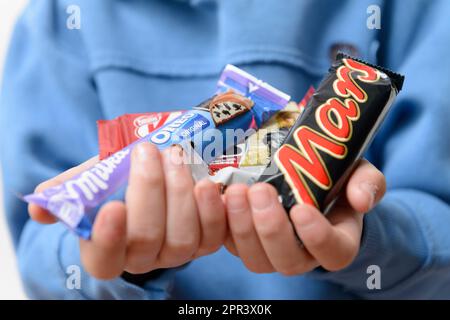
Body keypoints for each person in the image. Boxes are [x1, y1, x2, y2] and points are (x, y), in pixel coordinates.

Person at [1, 0, 449, 299]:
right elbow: (40, 251)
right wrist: (113, 261)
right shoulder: (60, 19)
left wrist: (370, 234)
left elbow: (440, 228)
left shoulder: (414, 10)